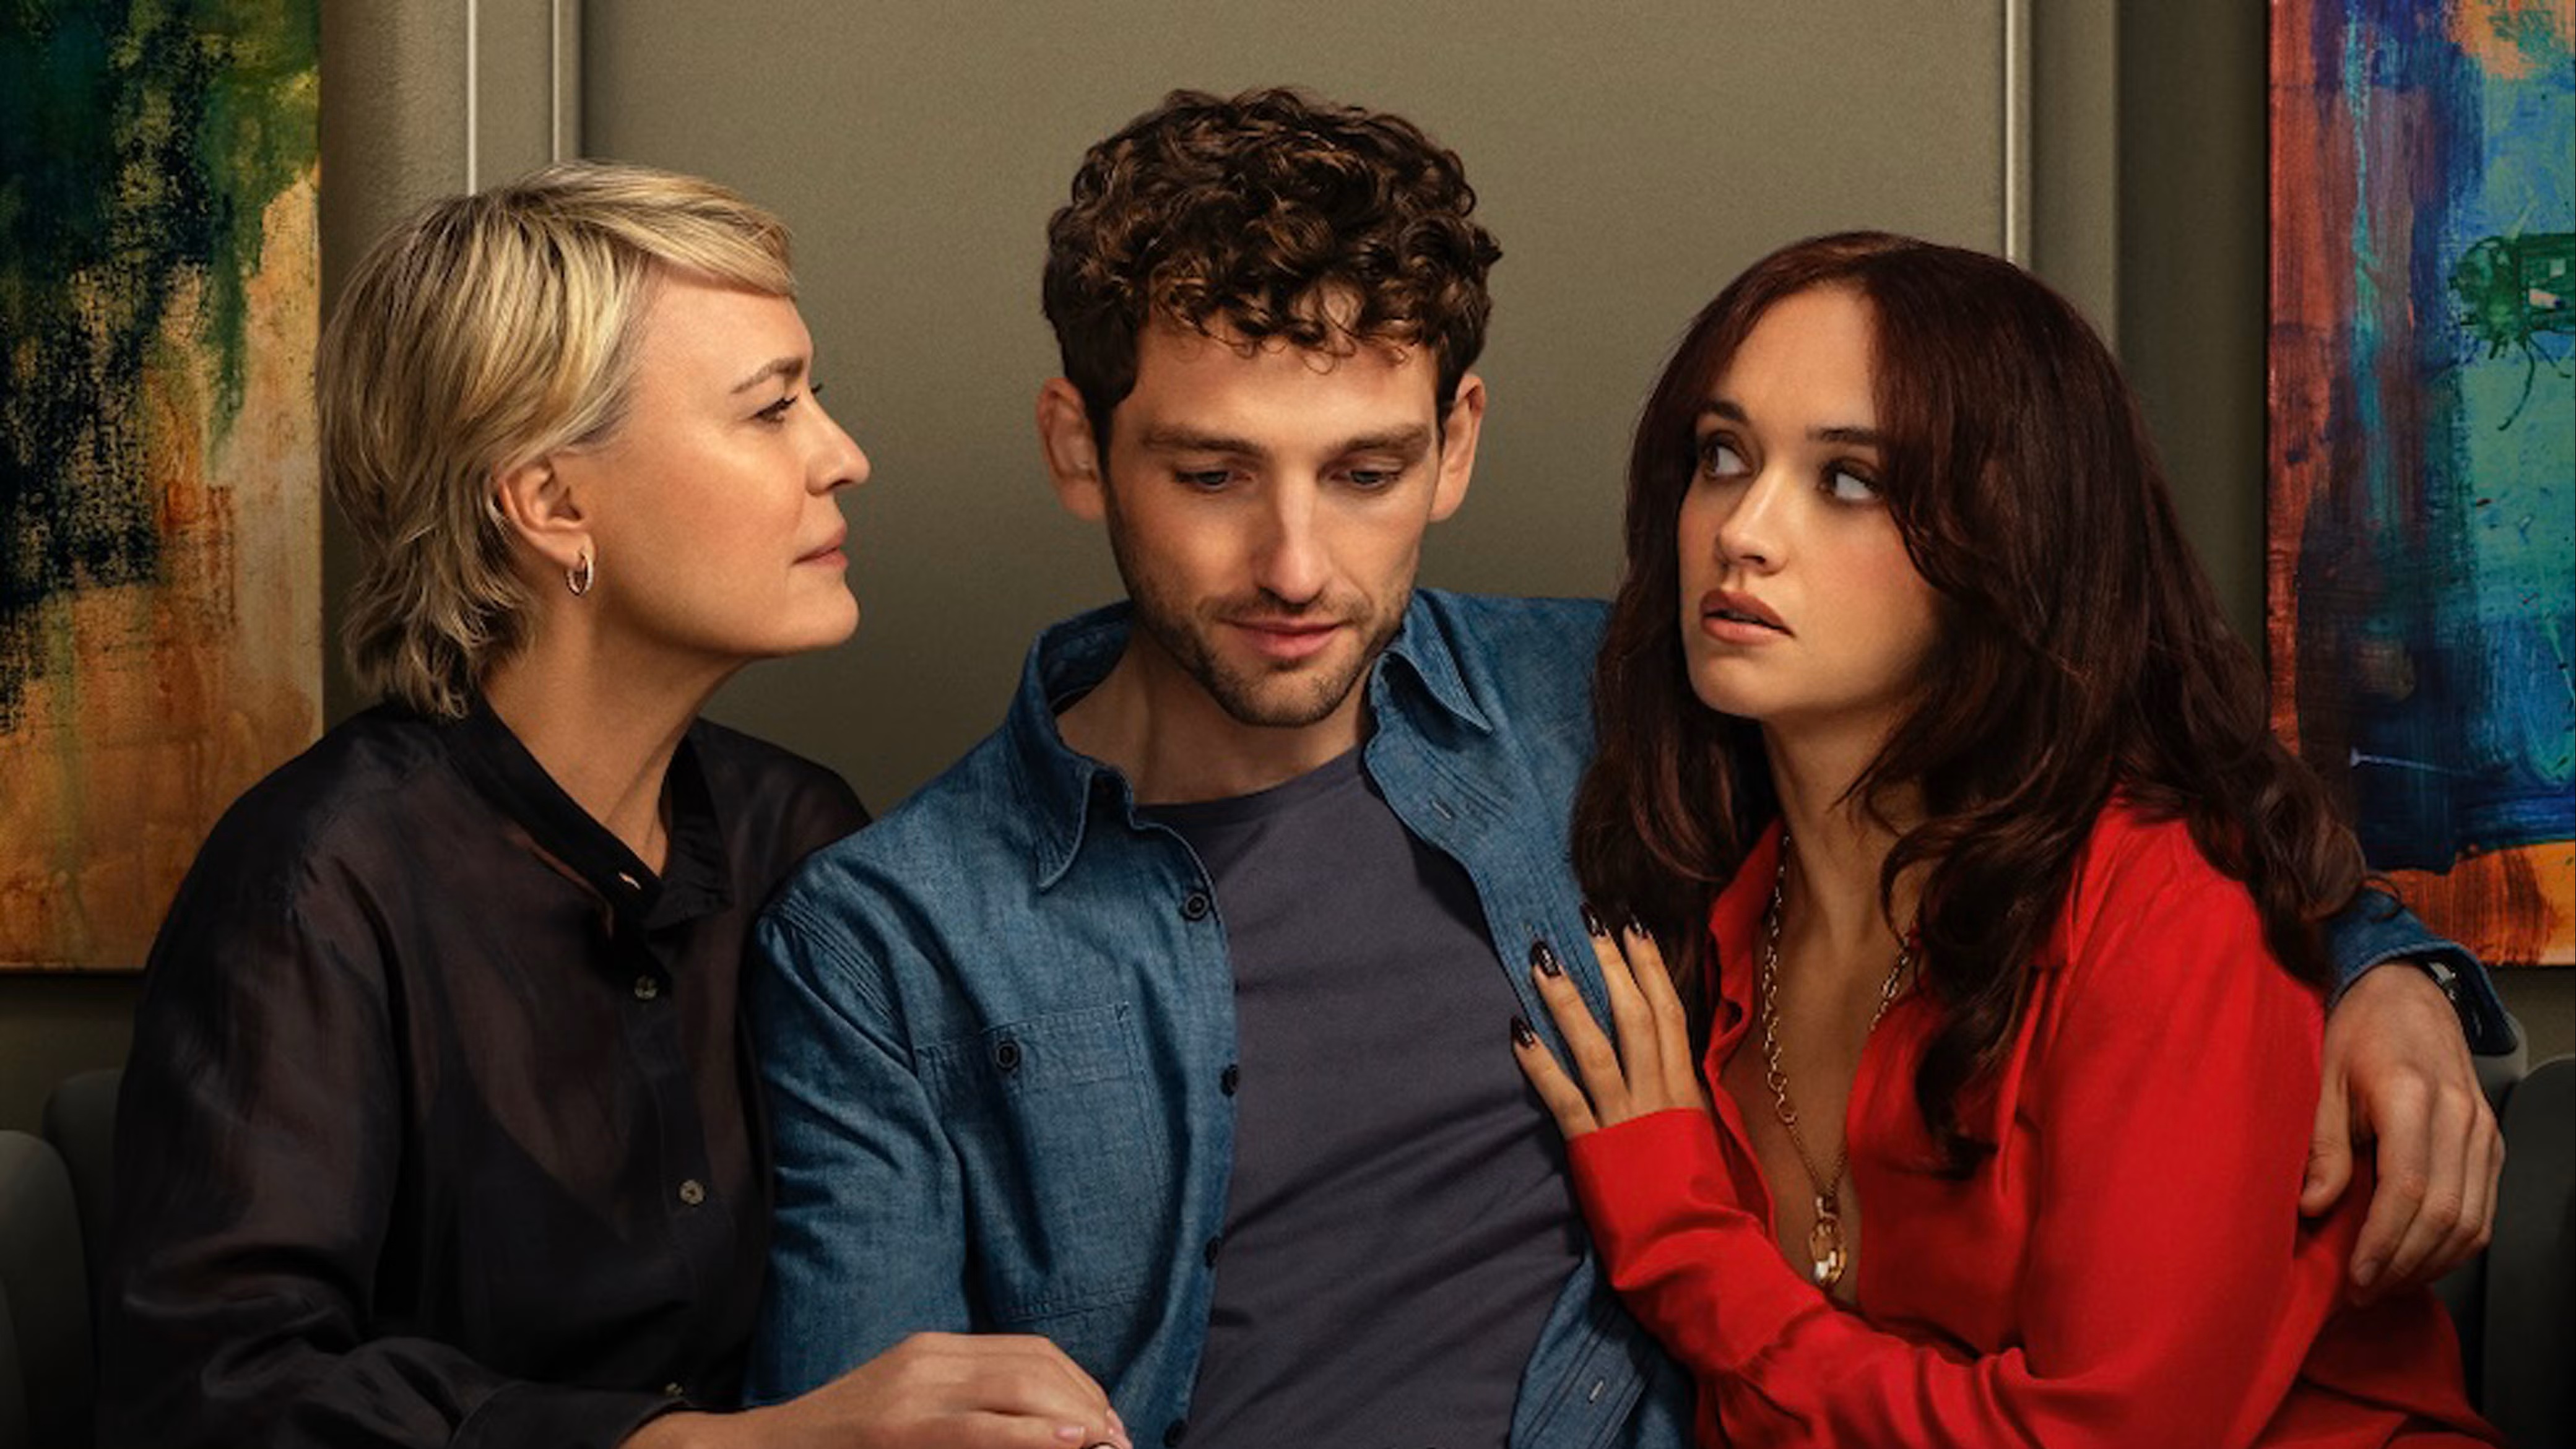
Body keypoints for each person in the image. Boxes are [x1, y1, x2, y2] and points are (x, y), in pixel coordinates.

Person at [748, 90, 2507, 1448]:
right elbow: (866, 1398)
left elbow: (2081, 763)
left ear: (1457, 447)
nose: (1295, 565)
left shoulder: (1605, 703)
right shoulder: (891, 930)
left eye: (1363, 472)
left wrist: (2382, 967)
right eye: (1213, 474)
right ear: (1082, 448)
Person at [98, 161, 1127, 1449]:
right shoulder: (319, 880)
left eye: (816, 396)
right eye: (770, 411)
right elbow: (212, 1395)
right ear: (551, 501)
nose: (843, 456)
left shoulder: (795, 833)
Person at [1512, 232, 2498, 1445]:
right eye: (1721, 456)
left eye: (1847, 480)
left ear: (2005, 537)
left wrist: (1680, 1249)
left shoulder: (2160, 901)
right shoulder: (1716, 901)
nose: (1741, 531)